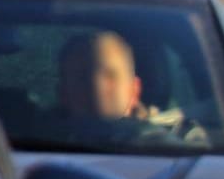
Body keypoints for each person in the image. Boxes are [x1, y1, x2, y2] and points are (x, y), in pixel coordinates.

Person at [56, 31, 206, 147]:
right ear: (63, 93)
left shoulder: (173, 153)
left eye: (110, 75)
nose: (97, 86)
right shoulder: (40, 145)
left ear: (134, 90)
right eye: (82, 77)